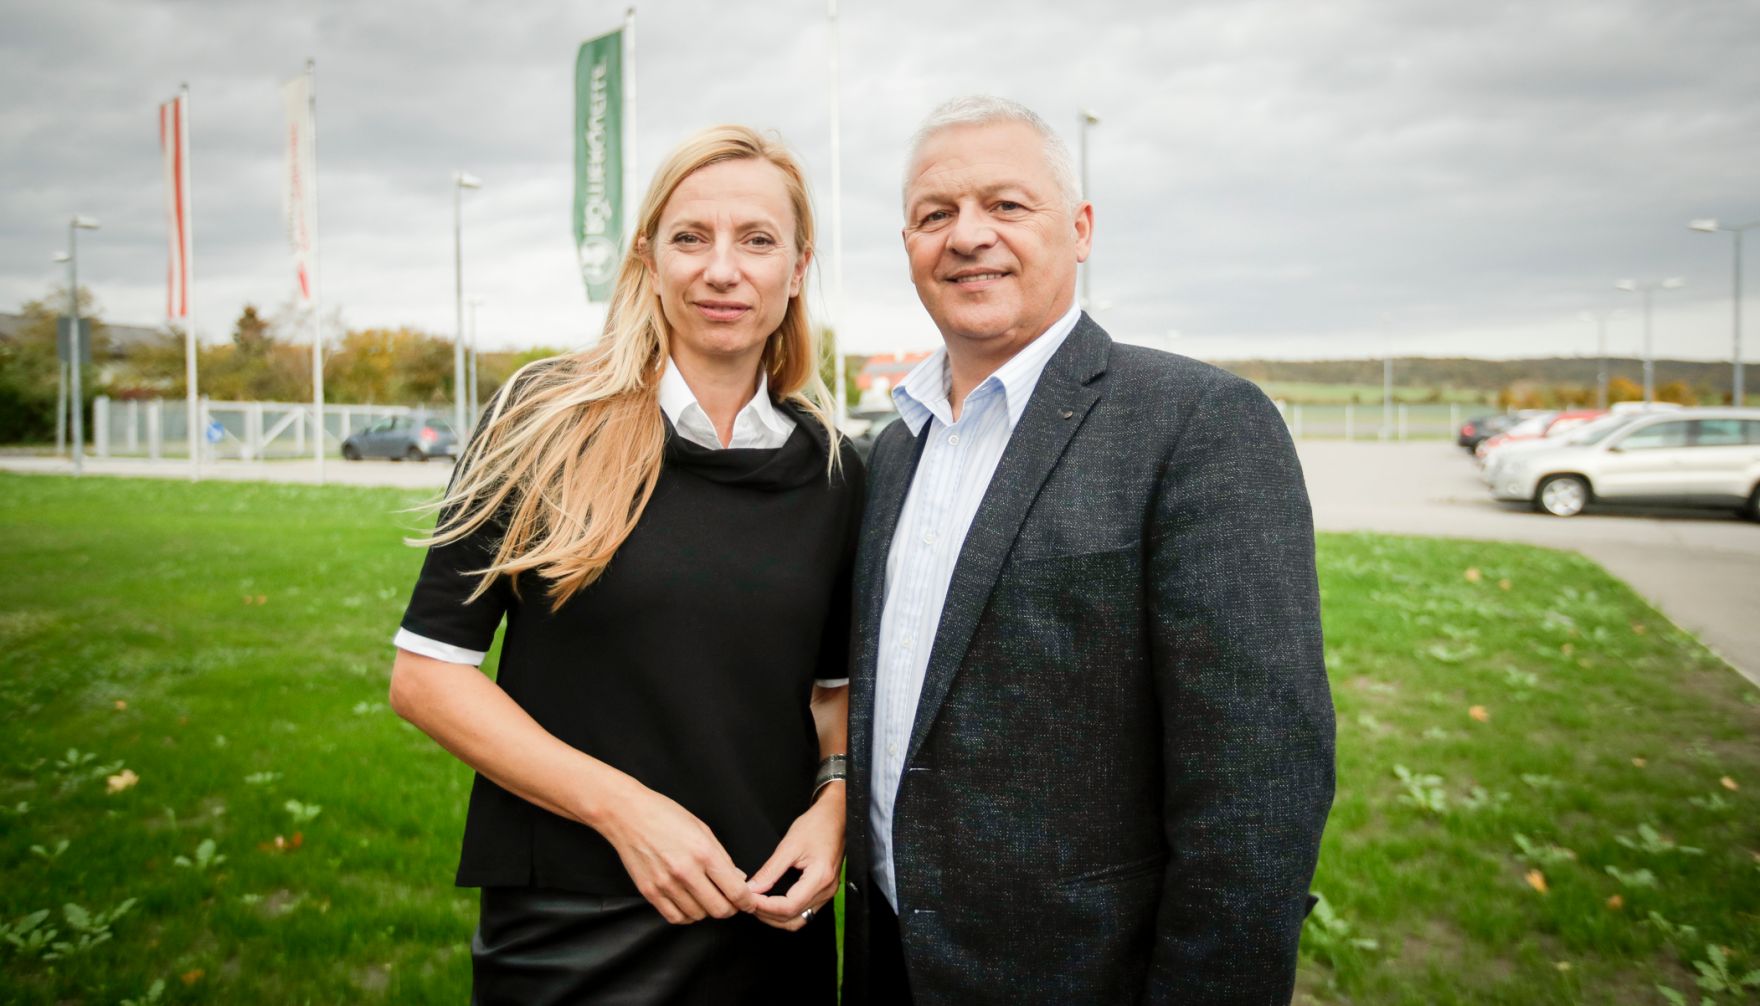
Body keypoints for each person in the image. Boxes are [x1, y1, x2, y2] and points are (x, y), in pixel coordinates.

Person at [840, 96, 1335, 1004]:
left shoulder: (1198, 424)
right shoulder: (895, 447)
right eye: (936, 214)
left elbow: (1259, 788)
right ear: (908, 243)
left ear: (1080, 230)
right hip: (892, 964)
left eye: (1006, 204)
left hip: (1084, 976)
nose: (968, 236)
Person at [388, 124, 862, 1005]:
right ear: (648, 258)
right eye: (691, 237)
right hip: (573, 925)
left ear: (799, 269)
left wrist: (833, 805)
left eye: (758, 240)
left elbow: (831, 694)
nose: (722, 269)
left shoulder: (834, 468)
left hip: (768, 917)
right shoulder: (543, 419)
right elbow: (427, 679)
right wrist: (626, 811)